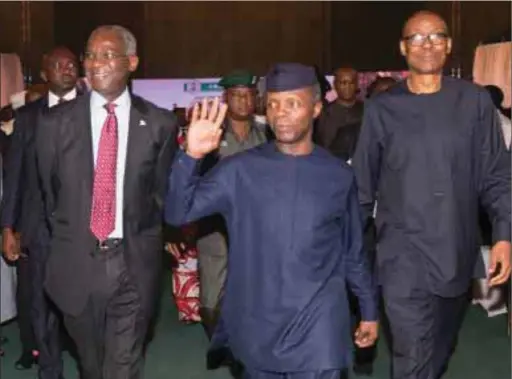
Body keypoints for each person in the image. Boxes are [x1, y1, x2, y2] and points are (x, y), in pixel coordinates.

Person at [165, 62, 378, 379]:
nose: (281, 113)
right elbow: (177, 213)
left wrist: (369, 310)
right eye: (274, 104)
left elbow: (353, 251)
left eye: (293, 103)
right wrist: (191, 156)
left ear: (316, 108)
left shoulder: (339, 175)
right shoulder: (238, 170)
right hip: (258, 325)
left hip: (319, 329)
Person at [352, 11, 511, 379]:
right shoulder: (382, 109)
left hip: (456, 251)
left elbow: (497, 175)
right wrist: (348, 252)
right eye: (417, 38)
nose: (427, 45)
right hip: (401, 259)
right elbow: (361, 188)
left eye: (436, 36)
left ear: (449, 45)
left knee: (439, 348)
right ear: (403, 48)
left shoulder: (474, 102)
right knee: (411, 356)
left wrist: (504, 234)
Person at [35, 25, 178, 379]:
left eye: (108, 54)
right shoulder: (55, 124)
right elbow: (51, 197)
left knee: (122, 366)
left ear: (132, 62)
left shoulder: (159, 124)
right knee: (92, 365)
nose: (96, 63)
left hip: (132, 264)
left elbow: (161, 195)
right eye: (90, 54)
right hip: (76, 265)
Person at [1, 47, 80, 377]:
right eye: (57, 65)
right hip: (39, 233)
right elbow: (15, 175)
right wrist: (7, 227)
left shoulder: (98, 112)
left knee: (84, 312)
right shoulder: (28, 118)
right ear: (45, 75)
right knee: (41, 309)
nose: (66, 68)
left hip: (85, 231)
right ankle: (50, 371)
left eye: (71, 64)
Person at [314, 67, 364, 161]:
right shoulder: (324, 113)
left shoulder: (367, 111)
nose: (347, 87)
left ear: (357, 85)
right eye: (343, 83)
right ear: (335, 85)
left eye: (351, 82)